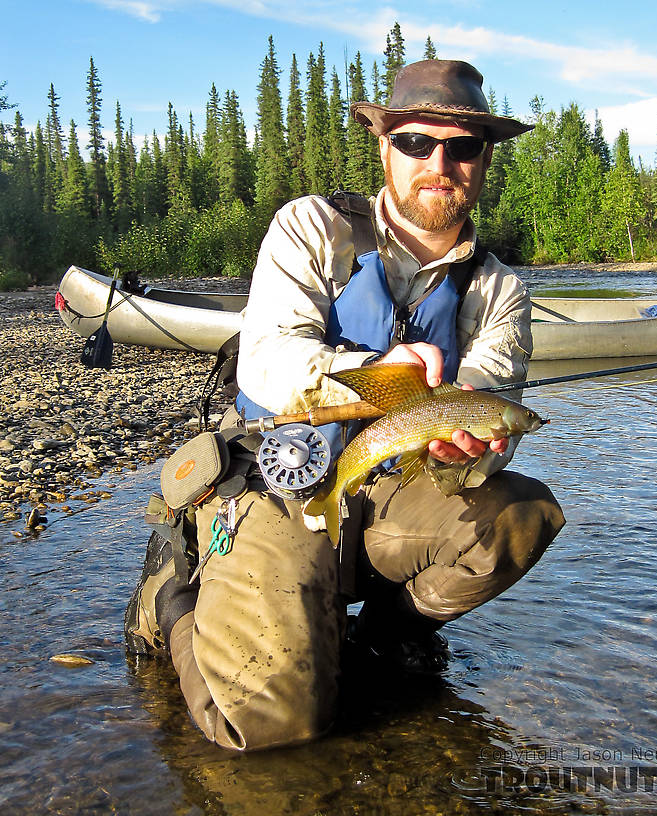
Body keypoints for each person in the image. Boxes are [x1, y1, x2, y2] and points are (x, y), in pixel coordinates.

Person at [124, 59, 565, 752]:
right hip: (278, 483)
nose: (438, 162)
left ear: (484, 159)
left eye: (463, 146)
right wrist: (373, 372)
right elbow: (267, 363)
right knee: (269, 728)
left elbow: (491, 405)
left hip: (394, 488)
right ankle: (175, 598)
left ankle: (385, 636)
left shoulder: (499, 289)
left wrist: (474, 448)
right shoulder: (310, 227)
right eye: (417, 143)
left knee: (518, 513)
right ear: (383, 145)